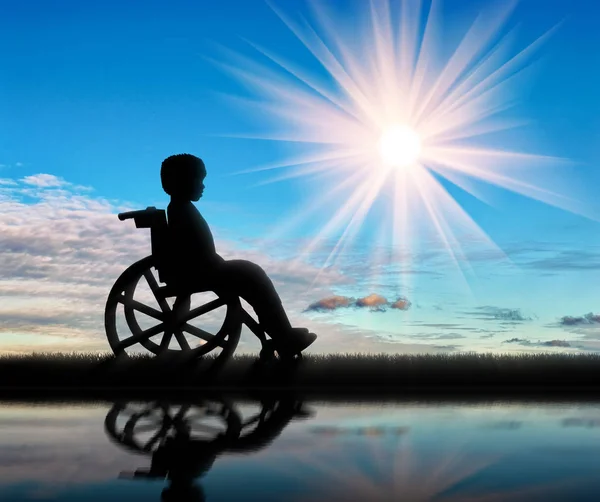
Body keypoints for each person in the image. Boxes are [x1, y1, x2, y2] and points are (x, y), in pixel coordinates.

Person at [160, 153, 317, 356]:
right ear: (180, 181)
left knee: (253, 275)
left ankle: (281, 333)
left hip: (206, 268)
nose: (202, 186)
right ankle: (282, 336)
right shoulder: (181, 210)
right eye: (198, 179)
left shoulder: (181, 209)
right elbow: (191, 250)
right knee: (253, 276)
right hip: (203, 270)